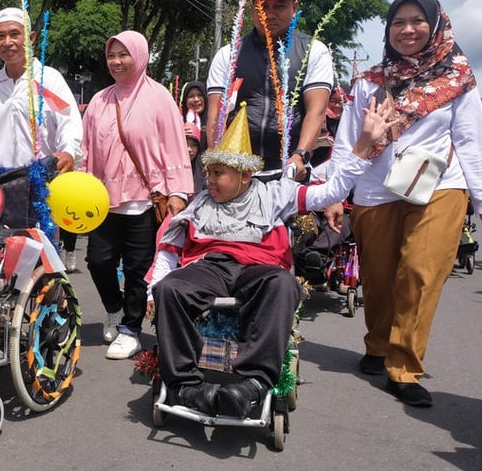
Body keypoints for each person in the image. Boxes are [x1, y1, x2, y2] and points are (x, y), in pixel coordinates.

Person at [148, 100, 395, 418]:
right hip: (210, 266)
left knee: (283, 284)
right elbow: (169, 250)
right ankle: (185, 386)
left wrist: (363, 145)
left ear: (245, 174)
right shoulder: (200, 203)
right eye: (207, 172)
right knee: (170, 289)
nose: (208, 180)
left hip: (260, 268)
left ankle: (252, 383)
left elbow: (331, 192)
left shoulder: (277, 193)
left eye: (218, 173)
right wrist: (155, 287)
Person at [330, 0, 482, 407]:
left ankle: (404, 367)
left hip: (440, 186)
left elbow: (474, 142)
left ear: (436, 25)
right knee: (379, 275)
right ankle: (378, 344)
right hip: (375, 190)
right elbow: (346, 142)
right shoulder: (368, 81)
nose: (407, 30)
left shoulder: (457, 80)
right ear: (387, 31)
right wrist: (335, 194)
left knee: (421, 272)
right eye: (398, 23)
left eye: (417, 21)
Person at [81, 30, 194, 360]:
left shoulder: (159, 98)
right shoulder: (100, 101)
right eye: (111, 56)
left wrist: (177, 192)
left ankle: (130, 329)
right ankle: (114, 308)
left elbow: (174, 147)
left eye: (123, 54)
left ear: (140, 56)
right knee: (97, 260)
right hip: (104, 201)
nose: (116, 62)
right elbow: (86, 152)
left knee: (137, 268)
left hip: (146, 199)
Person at [206, 0, 334, 180]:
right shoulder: (229, 54)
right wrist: (214, 158)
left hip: (289, 170)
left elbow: (316, 111)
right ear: (252, 11)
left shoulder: (314, 51)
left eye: (280, 6)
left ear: (294, 8)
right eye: (263, 7)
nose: (270, 14)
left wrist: (300, 155)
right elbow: (215, 111)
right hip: (237, 170)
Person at [0, 6, 83, 227]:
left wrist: (68, 150)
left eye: (14, 34)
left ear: (31, 38)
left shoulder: (49, 79)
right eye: (1, 36)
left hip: (40, 186)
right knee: (0, 252)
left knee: (38, 254)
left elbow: (69, 122)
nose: (8, 42)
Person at [184, 122, 206, 195]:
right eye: (185, 144)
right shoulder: (170, 166)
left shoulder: (203, 167)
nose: (189, 149)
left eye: (194, 145)